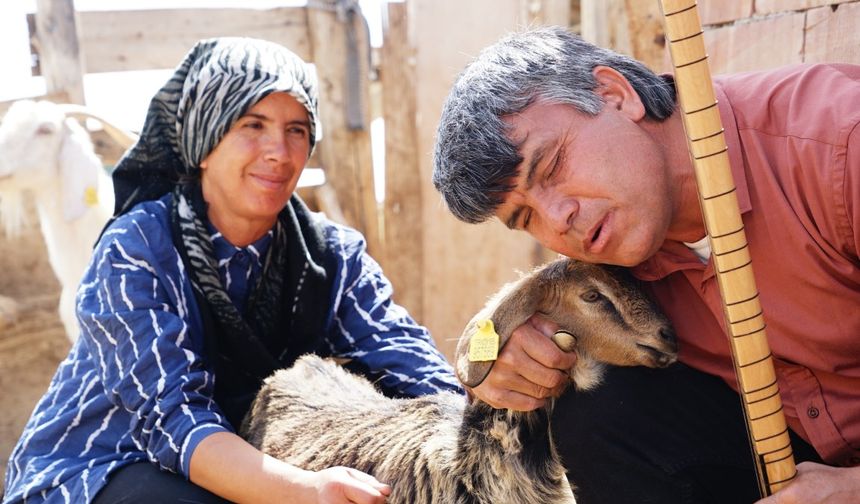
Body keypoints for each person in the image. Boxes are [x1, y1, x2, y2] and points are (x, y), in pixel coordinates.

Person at [3, 37, 462, 504]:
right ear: (205, 141)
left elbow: (405, 357)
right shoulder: (137, 250)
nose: (278, 152)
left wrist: (478, 426)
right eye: (252, 125)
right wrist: (305, 490)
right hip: (100, 465)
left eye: (297, 130)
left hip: (234, 458)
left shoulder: (330, 257)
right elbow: (172, 420)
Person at [432, 26, 860, 504]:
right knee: (598, 405)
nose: (557, 218)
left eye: (552, 166)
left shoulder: (839, 149)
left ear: (617, 95)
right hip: (785, 453)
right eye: (525, 217)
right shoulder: (614, 255)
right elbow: (502, 343)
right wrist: (502, 359)